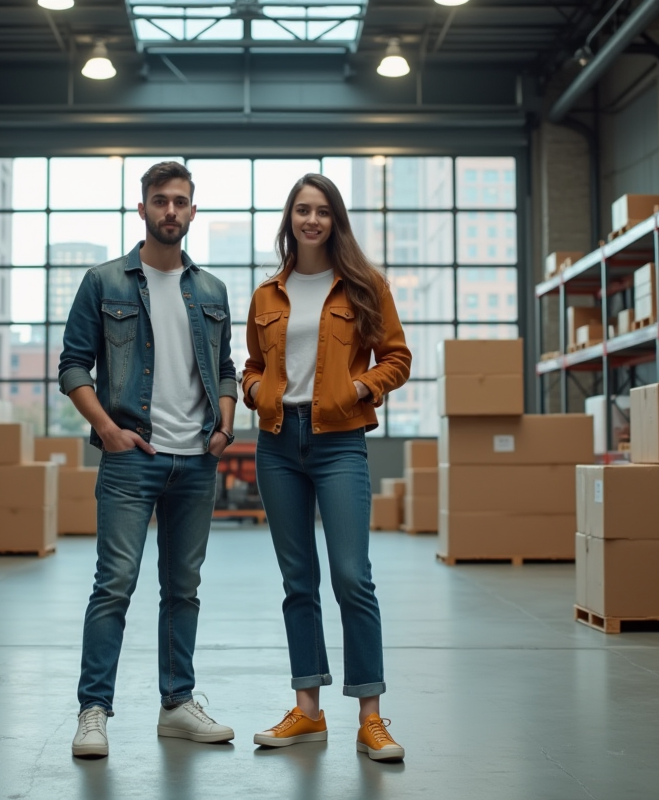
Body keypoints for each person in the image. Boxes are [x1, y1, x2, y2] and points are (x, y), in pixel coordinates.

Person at [60, 161, 239, 759]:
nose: (170, 210)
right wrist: (107, 428)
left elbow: (225, 369)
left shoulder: (211, 290)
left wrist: (227, 425)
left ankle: (176, 705)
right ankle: (93, 710)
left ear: (192, 211)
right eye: (159, 200)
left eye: (180, 201)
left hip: (197, 460)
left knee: (182, 588)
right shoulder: (104, 281)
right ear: (142, 210)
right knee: (114, 584)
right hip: (131, 456)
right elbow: (72, 365)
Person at [242, 173, 412, 762]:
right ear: (289, 220)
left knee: (351, 576)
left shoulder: (365, 286)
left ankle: (371, 716)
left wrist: (363, 386)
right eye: (301, 211)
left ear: (336, 220)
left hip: (340, 441)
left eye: (322, 211)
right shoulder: (267, 294)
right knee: (298, 581)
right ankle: (308, 710)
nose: (311, 220)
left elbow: (398, 356)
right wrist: (257, 389)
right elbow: (251, 365)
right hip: (277, 443)